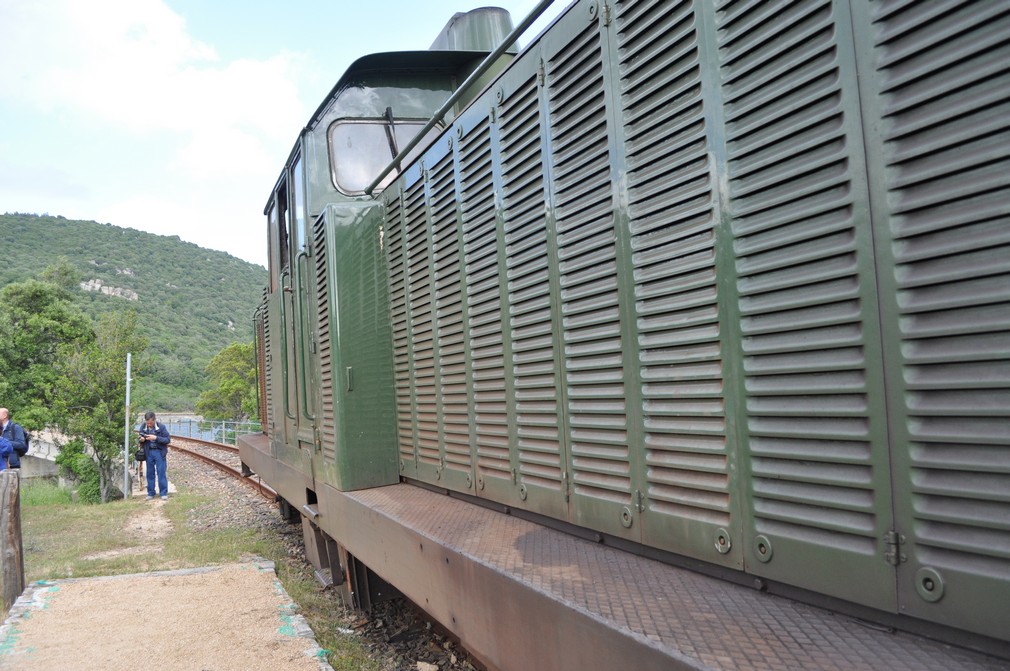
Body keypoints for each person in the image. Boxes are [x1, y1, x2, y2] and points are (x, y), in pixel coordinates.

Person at [138, 411, 171, 500]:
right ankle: (151, 493)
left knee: (161, 473)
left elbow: (167, 440)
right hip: (148, 452)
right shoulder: (143, 426)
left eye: (150, 423)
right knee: (150, 473)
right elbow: (140, 437)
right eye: (147, 422)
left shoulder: (161, 427)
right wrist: (141, 439)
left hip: (159, 452)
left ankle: (163, 493)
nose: (149, 424)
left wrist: (156, 438)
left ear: (154, 420)